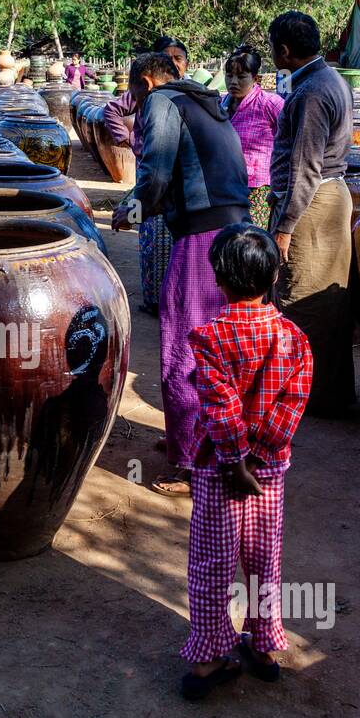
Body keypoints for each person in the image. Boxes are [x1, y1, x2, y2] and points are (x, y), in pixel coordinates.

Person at [178, 224, 313, 700]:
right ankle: (265, 646)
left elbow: (220, 406)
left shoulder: (210, 337)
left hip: (220, 470)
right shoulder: (295, 338)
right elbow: (291, 405)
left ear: (219, 279)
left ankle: (209, 658)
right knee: (264, 556)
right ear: (275, 275)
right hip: (269, 472)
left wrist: (235, 460)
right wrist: (257, 456)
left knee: (212, 562)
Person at [111, 52, 251, 498]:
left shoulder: (162, 102)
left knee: (186, 343)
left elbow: (155, 171)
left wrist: (130, 208)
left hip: (202, 236)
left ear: (147, 83)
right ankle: (201, 438)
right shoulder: (205, 100)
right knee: (220, 341)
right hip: (235, 228)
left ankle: (191, 460)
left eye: (133, 94)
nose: (133, 104)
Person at [267, 10, 355, 416]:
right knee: (325, 305)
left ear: (284, 50)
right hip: (328, 199)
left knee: (300, 298)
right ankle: (326, 395)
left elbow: (305, 167)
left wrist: (285, 226)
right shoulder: (328, 79)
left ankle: (308, 397)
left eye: (273, 48)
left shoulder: (311, 93)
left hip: (312, 205)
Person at [105, 37, 191, 315]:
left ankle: (173, 300)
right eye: (168, 58)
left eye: (178, 58)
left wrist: (135, 210)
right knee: (153, 241)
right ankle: (155, 300)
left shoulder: (187, 94)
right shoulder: (149, 94)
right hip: (153, 173)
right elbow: (112, 110)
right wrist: (128, 139)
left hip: (173, 179)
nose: (174, 63)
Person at [222, 44, 284, 228]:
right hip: (226, 186)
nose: (233, 82)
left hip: (257, 190)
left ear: (255, 78)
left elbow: (294, 135)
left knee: (251, 243)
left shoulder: (270, 104)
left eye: (241, 77)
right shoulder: (221, 103)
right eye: (229, 76)